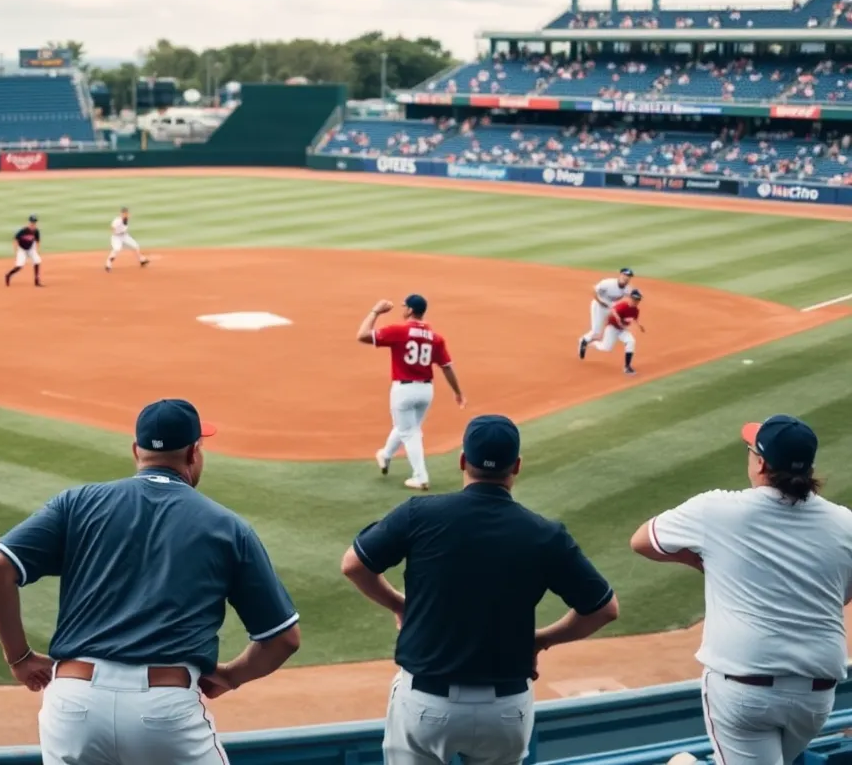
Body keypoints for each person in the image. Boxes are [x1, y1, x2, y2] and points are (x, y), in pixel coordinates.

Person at [0, 398, 301, 765]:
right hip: (162, 712)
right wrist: (230, 676)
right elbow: (283, 638)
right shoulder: (226, 527)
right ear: (194, 453)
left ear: (136, 450)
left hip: (73, 705)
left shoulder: (77, 503)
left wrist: (19, 657)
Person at [342, 414, 620, 765]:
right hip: (505, 711)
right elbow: (604, 608)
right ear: (516, 466)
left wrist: (399, 605)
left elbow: (354, 564)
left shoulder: (419, 515)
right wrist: (539, 640)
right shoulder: (544, 535)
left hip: (427, 703)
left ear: (462, 460)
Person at [631, 415, 852, 765]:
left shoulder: (717, 509)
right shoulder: (845, 523)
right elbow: (840, 593)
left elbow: (642, 541)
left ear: (761, 463)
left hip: (743, 692)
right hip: (815, 697)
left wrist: (706, 563)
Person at [358, 294, 466, 491]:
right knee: (407, 426)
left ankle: (420, 476)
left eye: (404, 307)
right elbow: (447, 367)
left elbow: (362, 335)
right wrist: (457, 392)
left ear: (409, 310)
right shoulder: (435, 337)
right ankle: (386, 455)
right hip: (426, 390)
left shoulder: (399, 331)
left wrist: (375, 312)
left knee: (410, 431)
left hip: (404, 390)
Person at [581, 288, 645, 375]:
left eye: (639, 300)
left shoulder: (636, 310)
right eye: (636, 299)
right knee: (606, 348)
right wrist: (617, 319)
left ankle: (627, 367)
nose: (637, 301)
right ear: (631, 298)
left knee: (631, 341)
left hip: (622, 330)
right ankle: (588, 342)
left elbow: (635, 318)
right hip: (612, 328)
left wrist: (639, 325)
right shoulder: (623, 306)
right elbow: (612, 311)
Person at [579, 268, 634, 353]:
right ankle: (584, 341)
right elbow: (594, 290)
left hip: (610, 306)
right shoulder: (608, 283)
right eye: (625, 275)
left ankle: (611, 340)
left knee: (613, 325)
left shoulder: (627, 289)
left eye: (629, 276)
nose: (626, 278)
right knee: (596, 331)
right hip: (598, 306)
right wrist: (600, 302)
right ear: (620, 275)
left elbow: (633, 296)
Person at [105, 207, 149, 272]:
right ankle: (108, 265)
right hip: (116, 237)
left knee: (135, 246)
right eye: (124, 213)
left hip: (125, 236)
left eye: (126, 213)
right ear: (121, 214)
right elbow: (112, 228)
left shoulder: (126, 218)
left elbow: (125, 223)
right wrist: (113, 240)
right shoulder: (117, 221)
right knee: (116, 249)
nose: (126, 214)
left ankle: (141, 260)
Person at [5, 214, 42, 287]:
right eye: (32, 222)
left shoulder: (36, 231)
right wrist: (16, 251)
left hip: (31, 248)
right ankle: (8, 275)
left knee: (37, 261)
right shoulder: (23, 231)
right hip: (22, 249)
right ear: (29, 222)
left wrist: (36, 250)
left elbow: (37, 241)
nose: (33, 223)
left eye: (34, 222)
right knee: (19, 265)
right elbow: (15, 239)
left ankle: (36, 281)